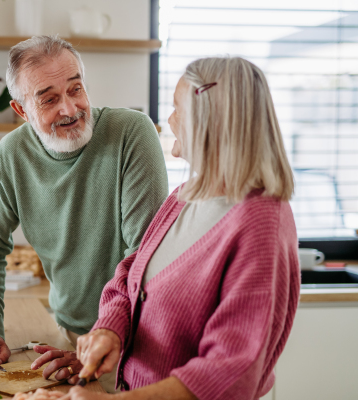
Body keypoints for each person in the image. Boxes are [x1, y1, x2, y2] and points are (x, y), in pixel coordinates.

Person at [65, 57, 301, 400]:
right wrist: (111, 330)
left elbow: (229, 371)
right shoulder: (186, 196)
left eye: (177, 108)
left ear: (209, 119)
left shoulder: (261, 223)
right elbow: (133, 272)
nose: (169, 120)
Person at [0, 35, 169, 390]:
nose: (70, 109)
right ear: (22, 111)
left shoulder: (131, 133)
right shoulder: (12, 155)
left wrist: (105, 336)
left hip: (133, 340)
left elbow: (144, 261)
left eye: (75, 89)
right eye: (50, 99)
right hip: (68, 333)